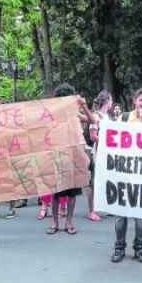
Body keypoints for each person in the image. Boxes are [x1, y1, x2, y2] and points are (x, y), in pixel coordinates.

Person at [111, 88, 142, 263]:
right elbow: (112, 139)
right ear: (134, 101)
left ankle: (140, 249)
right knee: (121, 216)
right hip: (124, 175)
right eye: (141, 100)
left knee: (141, 218)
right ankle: (119, 248)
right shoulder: (123, 118)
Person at [46, 83, 91, 236]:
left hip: (74, 156)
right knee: (56, 193)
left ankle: (69, 222)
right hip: (58, 156)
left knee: (72, 193)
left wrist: (83, 105)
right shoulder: (52, 114)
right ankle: (55, 222)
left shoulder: (74, 113)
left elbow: (90, 120)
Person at [87, 89, 114, 221]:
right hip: (98, 153)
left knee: (106, 179)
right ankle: (91, 211)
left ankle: (106, 206)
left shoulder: (107, 116)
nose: (112, 103)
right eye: (111, 100)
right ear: (107, 101)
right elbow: (93, 136)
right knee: (94, 182)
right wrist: (105, 142)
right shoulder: (96, 116)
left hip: (108, 153)